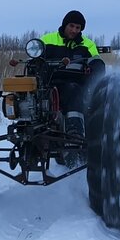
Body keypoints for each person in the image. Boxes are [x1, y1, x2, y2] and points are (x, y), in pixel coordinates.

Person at [40, 10, 105, 167]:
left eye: (78, 28)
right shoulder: (46, 40)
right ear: (65, 24)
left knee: (72, 90)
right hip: (50, 85)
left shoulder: (87, 45)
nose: (74, 30)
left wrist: (94, 69)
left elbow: (98, 64)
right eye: (72, 26)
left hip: (76, 87)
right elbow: (34, 61)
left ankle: (74, 135)